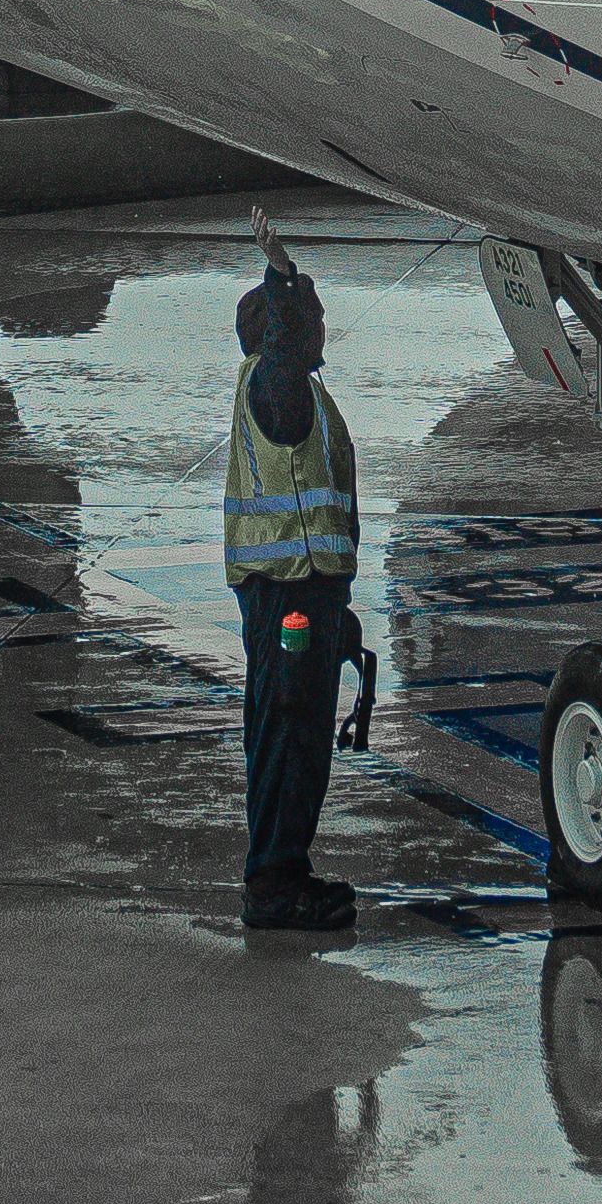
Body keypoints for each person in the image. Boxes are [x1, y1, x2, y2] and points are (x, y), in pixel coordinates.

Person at [223, 249, 363, 932]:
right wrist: (283, 286)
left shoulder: (301, 394)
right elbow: (281, 358)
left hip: (310, 594)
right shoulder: (275, 387)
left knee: (302, 734)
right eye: (315, 317)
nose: (323, 327)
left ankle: (285, 870)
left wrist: (343, 612)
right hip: (288, 595)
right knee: (287, 730)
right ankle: (274, 880)